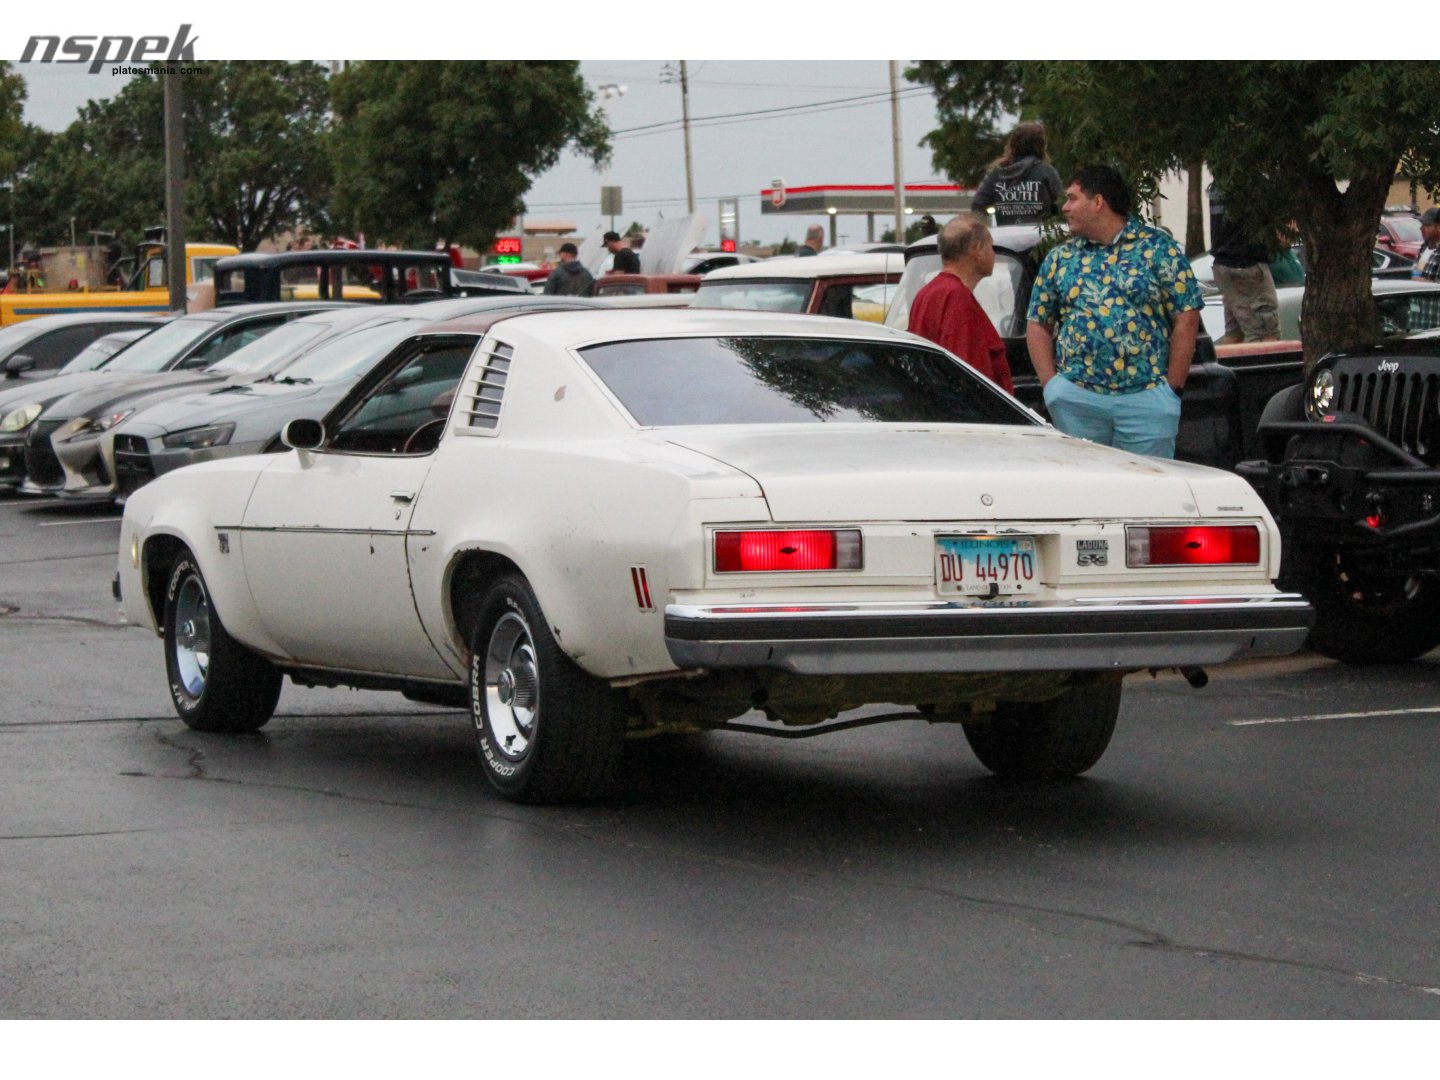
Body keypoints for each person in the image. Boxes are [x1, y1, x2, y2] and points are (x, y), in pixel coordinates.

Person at [1025, 165, 1203, 459]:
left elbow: (1186, 317)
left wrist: (1171, 391)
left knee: (1150, 493)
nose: (1066, 208)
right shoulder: (1060, 258)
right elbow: (1038, 323)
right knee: (1086, 495)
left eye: (1072, 198)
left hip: (1146, 400)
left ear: (1098, 202)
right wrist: (1052, 386)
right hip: (1076, 401)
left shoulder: (1159, 249)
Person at [906, 215, 1014, 393]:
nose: (993, 253)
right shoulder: (957, 298)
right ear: (977, 250)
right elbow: (968, 375)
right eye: (990, 246)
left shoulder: (927, 293)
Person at [1207, 183, 1279, 344]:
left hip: (1223, 265)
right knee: (1264, 335)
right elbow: (1279, 233)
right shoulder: (1255, 181)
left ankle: (1229, 368)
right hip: (1248, 265)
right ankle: (1263, 368)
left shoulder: (1219, 185)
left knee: (1234, 333)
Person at [973, 122, 1063, 227]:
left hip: (1007, 239)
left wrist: (985, 233)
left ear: (1012, 145)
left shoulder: (998, 174)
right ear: (1041, 145)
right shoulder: (1046, 172)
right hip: (1041, 240)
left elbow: (978, 206)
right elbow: (1063, 206)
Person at [1414, 207, 1440, 282]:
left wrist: (1424, 283)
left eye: (1427, 225)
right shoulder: (1424, 247)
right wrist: (1415, 279)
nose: (1421, 228)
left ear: (1438, 227)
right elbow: (1416, 271)